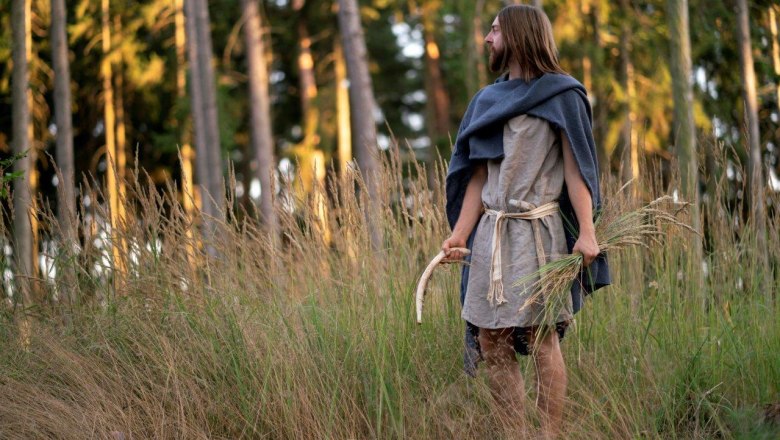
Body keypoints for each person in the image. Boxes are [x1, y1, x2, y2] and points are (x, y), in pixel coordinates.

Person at [441, 5, 610, 437]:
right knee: (490, 341)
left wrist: (587, 233)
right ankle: (514, 434)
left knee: (539, 338)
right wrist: (459, 234)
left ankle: (548, 434)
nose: (487, 39)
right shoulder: (487, 100)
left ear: (517, 35)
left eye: (495, 31)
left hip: (539, 233)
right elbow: (478, 176)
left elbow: (577, 172)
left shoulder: (562, 95)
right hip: (491, 235)